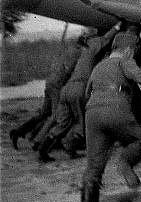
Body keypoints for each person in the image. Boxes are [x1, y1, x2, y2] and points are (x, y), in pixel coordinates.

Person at [79, 32, 141, 202]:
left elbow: (86, 94)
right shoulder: (125, 61)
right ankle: (125, 168)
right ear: (129, 50)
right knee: (139, 142)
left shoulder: (99, 66)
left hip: (92, 112)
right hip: (116, 107)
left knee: (95, 160)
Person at [36, 25, 119, 162]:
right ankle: (70, 146)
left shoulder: (82, 55)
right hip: (79, 89)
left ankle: (43, 150)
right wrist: (117, 26)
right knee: (82, 121)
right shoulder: (93, 48)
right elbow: (106, 38)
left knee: (63, 122)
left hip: (66, 89)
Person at [9, 31, 87, 150]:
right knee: (56, 115)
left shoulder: (70, 49)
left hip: (50, 81)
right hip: (57, 84)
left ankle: (19, 132)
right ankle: (38, 141)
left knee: (44, 113)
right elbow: (70, 72)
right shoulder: (79, 53)